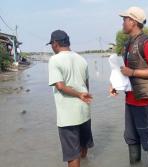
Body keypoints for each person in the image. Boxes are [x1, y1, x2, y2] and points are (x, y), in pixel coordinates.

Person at [110, 6, 148, 167]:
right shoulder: (128, 44)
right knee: (131, 139)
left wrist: (133, 72)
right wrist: (115, 85)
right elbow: (125, 72)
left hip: (146, 103)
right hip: (131, 102)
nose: (122, 22)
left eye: (125, 19)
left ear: (133, 22)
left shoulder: (147, 44)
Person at [47, 30, 94, 167]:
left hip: (68, 116)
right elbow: (86, 86)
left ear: (55, 43)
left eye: (51, 43)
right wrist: (81, 95)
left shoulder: (54, 60)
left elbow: (60, 86)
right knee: (83, 147)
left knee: (72, 155)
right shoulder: (81, 59)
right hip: (84, 110)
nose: (51, 47)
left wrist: (78, 94)